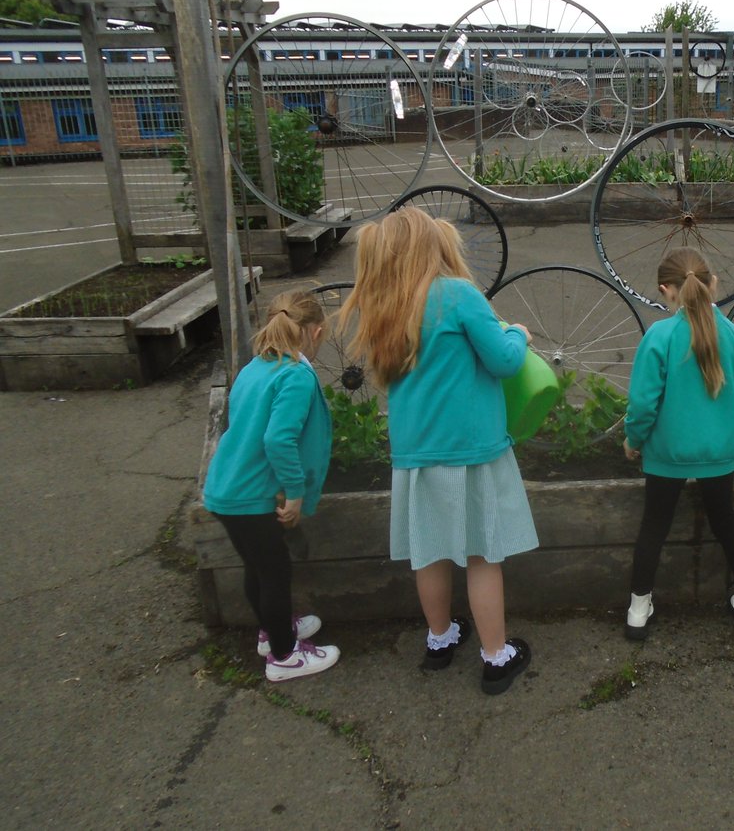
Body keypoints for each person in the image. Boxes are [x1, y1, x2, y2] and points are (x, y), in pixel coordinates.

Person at [341, 208, 537, 695]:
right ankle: (495, 656)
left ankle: (440, 638)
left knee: (429, 551)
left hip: (416, 453)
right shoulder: (458, 294)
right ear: (437, 247)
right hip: (470, 450)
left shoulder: (384, 302)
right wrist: (518, 333)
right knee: (480, 554)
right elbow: (505, 361)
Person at [622, 247, 734, 640]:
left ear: (665, 291)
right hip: (719, 452)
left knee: (654, 526)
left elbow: (642, 404)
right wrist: (729, 433)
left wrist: (633, 440)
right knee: (727, 523)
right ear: (713, 283)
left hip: (667, 454)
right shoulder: (733, 335)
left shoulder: (660, 336)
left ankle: (638, 610)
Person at [203, 289, 340, 682]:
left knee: (260, 568)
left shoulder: (256, 366)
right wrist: (295, 492)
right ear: (316, 332)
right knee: (275, 572)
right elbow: (278, 439)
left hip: (225, 489)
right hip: (249, 497)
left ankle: (272, 632)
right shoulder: (294, 375)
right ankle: (283, 656)